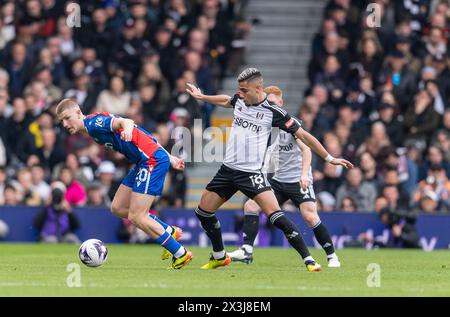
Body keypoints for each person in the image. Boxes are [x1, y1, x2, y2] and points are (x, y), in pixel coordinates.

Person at [186, 68, 353, 271]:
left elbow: (305, 137)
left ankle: (309, 259)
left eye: (244, 90)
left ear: (258, 89)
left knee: (277, 216)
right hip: (227, 171)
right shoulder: (240, 99)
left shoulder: (274, 113)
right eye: (239, 90)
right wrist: (202, 96)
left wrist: (329, 157)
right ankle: (220, 256)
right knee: (204, 212)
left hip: (251, 174)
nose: (240, 93)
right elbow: (225, 100)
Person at [55, 98, 192, 269]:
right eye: (62, 121)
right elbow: (143, 133)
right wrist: (170, 158)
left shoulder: (94, 123)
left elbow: (127, 122)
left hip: (151, 161)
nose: (65, 124)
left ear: (77, 112)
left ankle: (180, 253)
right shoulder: (90, 128)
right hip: (144, 161)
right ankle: (169, 231)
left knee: (137, 216)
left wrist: (126, 130)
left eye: (67, 118)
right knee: (118, 207)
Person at [227, 86, 341, 268]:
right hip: (278, 180)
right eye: (267, 102)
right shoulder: (263, 125)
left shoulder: (291, 124)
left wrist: (304, 175)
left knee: (310, 216)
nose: (269, 106)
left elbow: (306, 150)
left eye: (272, 103)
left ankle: (332, 255)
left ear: (281, 103)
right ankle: (247, 250)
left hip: (297, 179)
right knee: (251, 205)